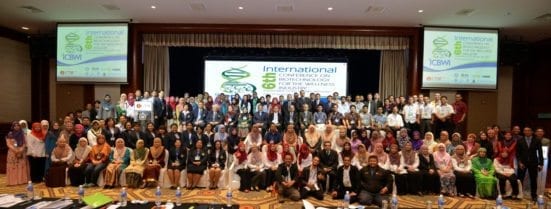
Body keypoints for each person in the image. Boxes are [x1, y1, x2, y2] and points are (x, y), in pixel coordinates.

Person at [516, 126, 543, 201]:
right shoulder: (520, 140)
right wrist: (519, 162)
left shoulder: (537, 140)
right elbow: (517, 153)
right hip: (522, 162)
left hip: (533, 162)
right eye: (525, 130)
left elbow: (540, 153)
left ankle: (534, 195)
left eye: (529, 130)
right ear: (523, 132)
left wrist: (541, 164)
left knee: (533, 179)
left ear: (531, 132)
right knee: (520, 179)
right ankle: (519, 194)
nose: (527, 132)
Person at [5, 121, 30, 186]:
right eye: (15, 126)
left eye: (18, 125)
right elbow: (8, 144)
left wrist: (21, 150)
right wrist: (15, 150)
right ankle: (13, 181)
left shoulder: (23, 134)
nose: (16, 127)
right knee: (13, 166)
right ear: (13, 127)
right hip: (12, 153)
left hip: (22, 152)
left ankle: (22, 180)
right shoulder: (10, 134)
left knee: (21, 166)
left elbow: (25, 143)